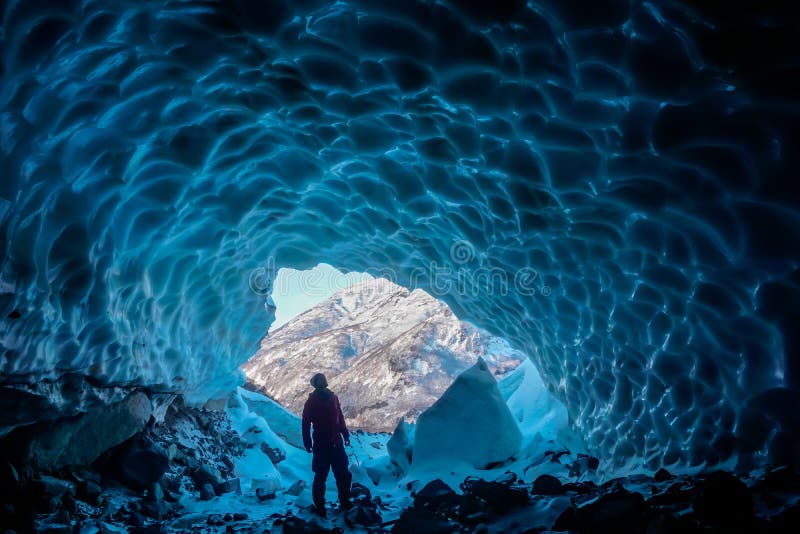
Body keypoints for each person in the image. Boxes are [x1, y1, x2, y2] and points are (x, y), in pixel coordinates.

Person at [301, 373, 352, 517]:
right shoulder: (312, 401)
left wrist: (345, 434)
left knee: (342, 475)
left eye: (323, 380)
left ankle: (344, 502)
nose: (322, 382)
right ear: (315, 384)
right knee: (321, 476)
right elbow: (305, 423)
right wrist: (307, 442)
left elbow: (340, 418)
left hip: (334, 443)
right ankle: (321, 506)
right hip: (322, 445)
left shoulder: (333, 397)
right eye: (319, 381)